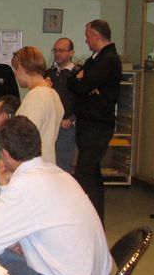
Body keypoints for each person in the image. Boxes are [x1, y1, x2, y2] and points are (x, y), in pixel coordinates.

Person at [0, 116, 111, 275]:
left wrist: (6, 189)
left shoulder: (25, 185)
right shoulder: (59, 174)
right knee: (4, 245)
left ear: (5, 154)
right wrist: (5, 186)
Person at [68, 20, 122, 223]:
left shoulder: (109, 60)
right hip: (89, 125)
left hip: (97, 126)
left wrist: (83, 82)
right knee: (92, 175)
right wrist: (82, 80)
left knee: (83, 175)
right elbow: (73, 81)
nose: (86, 40)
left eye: (87, 36)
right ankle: (96, 221)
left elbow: (82, 86)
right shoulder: (96, 58)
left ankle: (87, 221)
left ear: (96, 36)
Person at [12, 46, 63, 165]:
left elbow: (24, 139)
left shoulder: (36, 96)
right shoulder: (53, 94)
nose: (15, 74)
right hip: (47, 163)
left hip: (32, 166)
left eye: (15, 69)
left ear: (20, 67)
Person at [45, 37, 80, 172]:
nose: (57, 54)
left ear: (71, 53)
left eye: (61, 50)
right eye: (55, 50)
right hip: (49, 126)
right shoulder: (49, 73)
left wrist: (71, 120)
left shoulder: (77, 74)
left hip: (66, 127)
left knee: (62, 167)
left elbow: (83, 101)